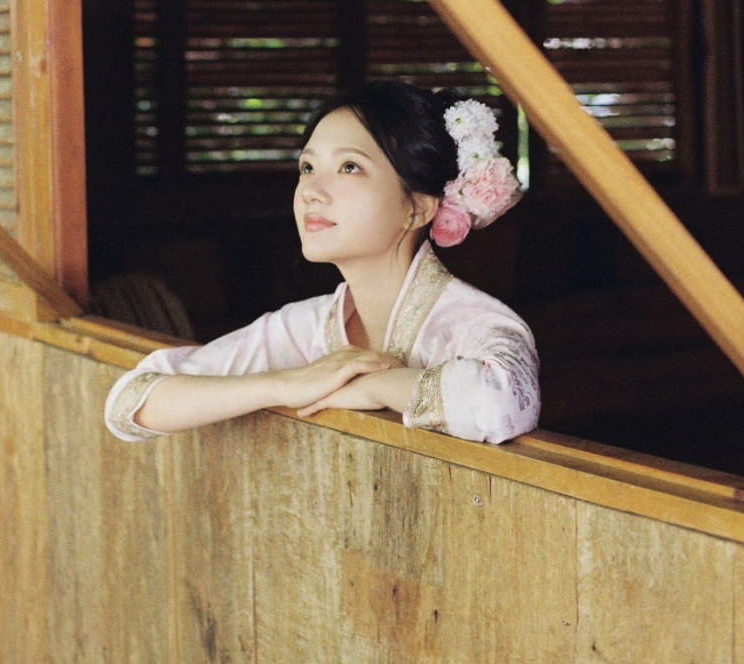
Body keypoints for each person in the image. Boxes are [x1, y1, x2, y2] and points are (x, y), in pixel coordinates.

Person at [105, 81, 540, 445]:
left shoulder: (478, 325)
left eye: (349, 167)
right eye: (307, 167)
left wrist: (372, 386)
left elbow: (499, 403)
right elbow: (130, 404)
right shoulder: (305, 327)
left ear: (418, 208)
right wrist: (286, 383)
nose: (312, 191)